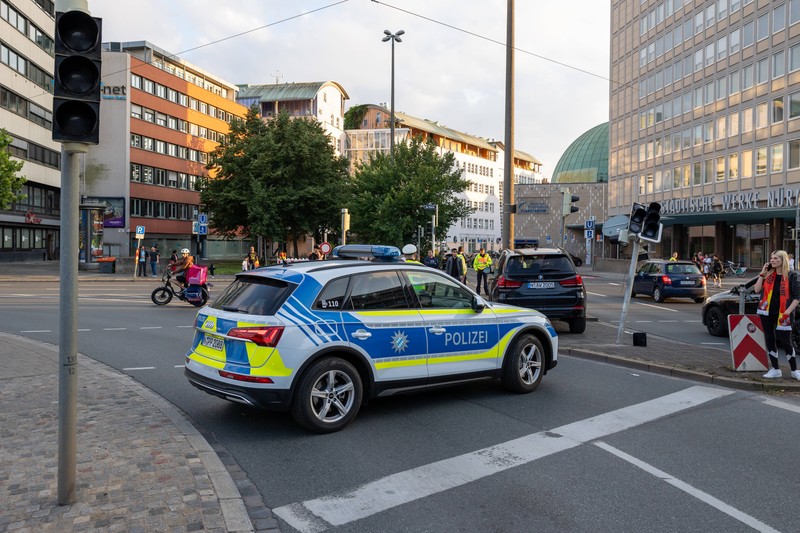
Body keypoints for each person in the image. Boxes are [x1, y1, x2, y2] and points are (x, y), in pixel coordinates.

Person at [754, 250, 800, 380]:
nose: (772, 260)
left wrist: (788, 311)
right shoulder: (768, 274)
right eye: (771, 258)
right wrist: (762, 273)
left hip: (784, 313)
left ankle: (794, 370)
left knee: (786, 341)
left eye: (775, 258)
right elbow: (757, 290)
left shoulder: (792, 276)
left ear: (782, 260)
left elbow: (797, 297)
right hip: (766, 311)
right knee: (770, 339)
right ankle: (775, 369)